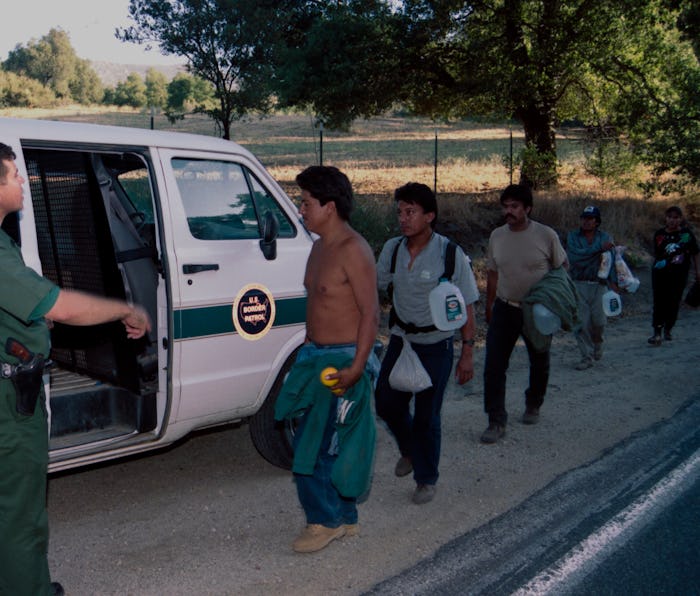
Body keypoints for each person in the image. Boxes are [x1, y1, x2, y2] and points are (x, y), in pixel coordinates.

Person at [0, 143, 151, 596]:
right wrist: (125, 308)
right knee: (19, 512)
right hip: (9, 407)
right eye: (12, 176)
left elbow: (25, 300)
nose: (22, 182)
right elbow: (61, 306)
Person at [276, 165, 380, 554]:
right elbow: (318, 304)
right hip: (315, 356)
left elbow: (371, 314)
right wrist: (306, 348)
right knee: (332, 442)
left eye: (305, 202)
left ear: (329, 206)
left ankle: (324, 522)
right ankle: (345, 517)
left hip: (342, 361)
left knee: (313, 445)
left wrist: (357, 367)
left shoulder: (354, 250)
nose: (300, 209)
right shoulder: (319, 246)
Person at [375, 183, 478, 505]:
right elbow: (373, 287)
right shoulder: (392, 249)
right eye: (400, 212)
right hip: (402, 340)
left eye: (411, 212)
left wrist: (467, 354)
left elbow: (467, 305)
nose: (403, 219)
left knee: (426, 416)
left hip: (436, 344)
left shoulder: (450, 253)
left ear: (429, 216)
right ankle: (409, 449)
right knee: (385, 403)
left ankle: (426, 478)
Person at [481, 184, 568, 444]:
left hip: (537, 310)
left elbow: (562, 267)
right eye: (505, 206)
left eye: (515, 207)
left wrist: (557, 302)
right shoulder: (497, 236)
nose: (509, 211)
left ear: (527, 208)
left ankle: (534, 403)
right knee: (494, 366)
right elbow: (493, 272)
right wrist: (489, 304)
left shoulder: (546, 235)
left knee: (539, 360)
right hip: (505, 307)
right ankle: (496, 421)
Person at [566, 206, 617, 370]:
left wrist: (614, 282)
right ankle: (586, 356)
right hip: (578, 283)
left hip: (599, 284)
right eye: (584, 218)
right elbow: (575, 258)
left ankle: (597, 342)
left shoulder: (605, 237)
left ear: (597, 221)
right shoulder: (573, 237)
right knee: (581, 322)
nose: (586, 221)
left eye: (590, 218)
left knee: (599, 321)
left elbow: (611, 260)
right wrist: (598, 250)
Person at [648, 205, 700, 345]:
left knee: (673, 302)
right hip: (660, 274)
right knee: (659, 302)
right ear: (665, 218)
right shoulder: (659, 234)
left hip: (679, 274)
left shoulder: (686, 235)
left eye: (676, 217)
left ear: (681, 219)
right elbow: (658, 254)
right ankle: (657, 332)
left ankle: (668, 328)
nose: (672, 220)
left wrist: (698, 271)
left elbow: (695, 253)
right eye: (670, 217)